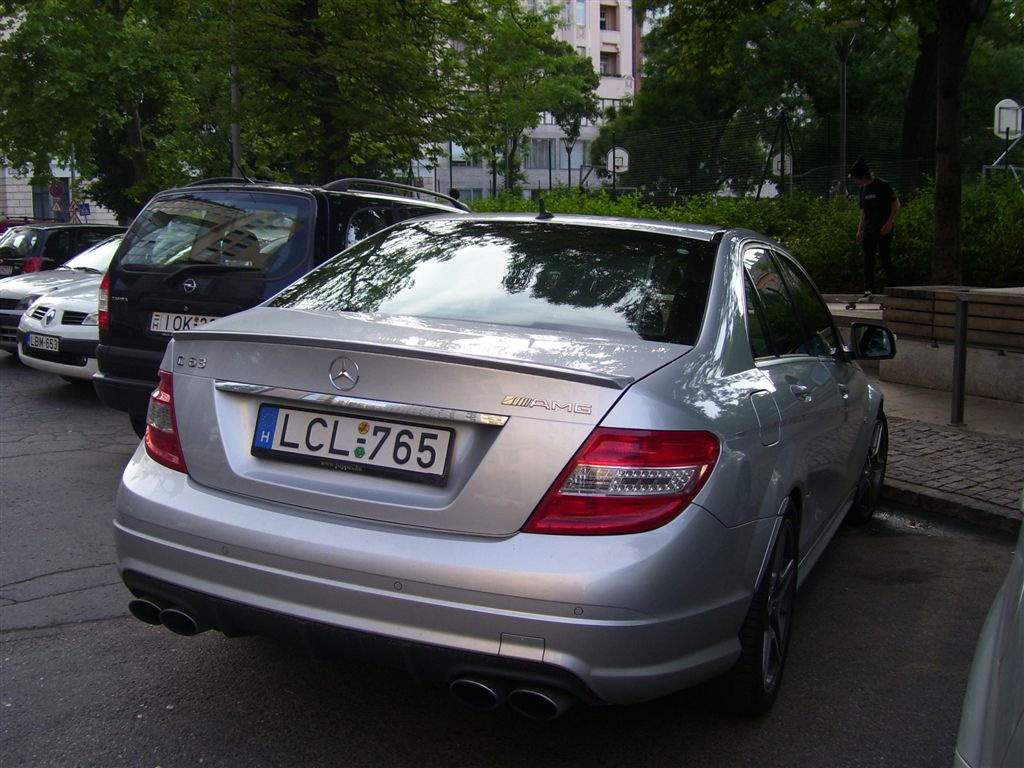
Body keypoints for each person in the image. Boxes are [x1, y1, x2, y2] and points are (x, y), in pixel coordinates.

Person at [849, 157, 900, 297]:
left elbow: (896, 205)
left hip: (883, 228)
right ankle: (868, 290)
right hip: (869, 229)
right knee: (868, 260)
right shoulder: (863, 189)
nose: (855, 182)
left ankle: (893, 288)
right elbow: (864, 211)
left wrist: (889, 222)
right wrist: (860, 230)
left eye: (855, 179)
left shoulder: (882, 185)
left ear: (862, 176)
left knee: (885, 258)